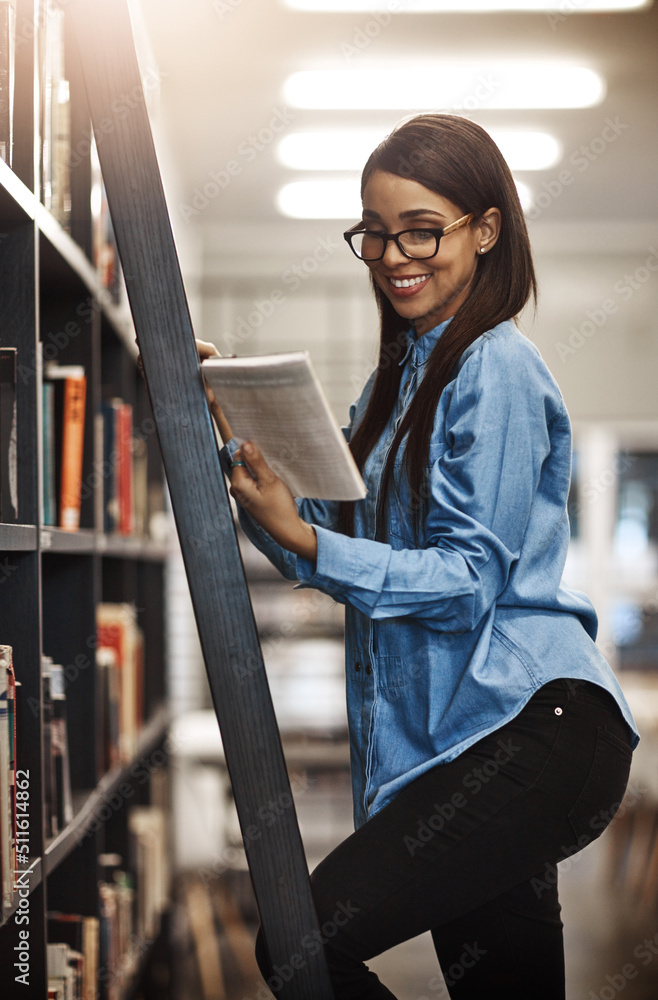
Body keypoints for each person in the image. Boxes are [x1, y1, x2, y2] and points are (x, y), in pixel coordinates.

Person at [203, 114, 639, 999]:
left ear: (485, 230)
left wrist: (310, 537)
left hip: (532, 731)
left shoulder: (495, 365)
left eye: (422, 229)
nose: (395, 253)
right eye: (375, 231)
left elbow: (466, 581)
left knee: (299, 944)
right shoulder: (395, 380)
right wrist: (227, 434)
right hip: (465, 748)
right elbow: (320, 546)